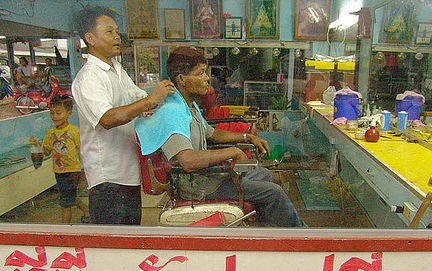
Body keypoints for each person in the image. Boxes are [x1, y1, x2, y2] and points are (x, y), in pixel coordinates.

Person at [160, 47, 305, 227]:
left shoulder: (188, 107)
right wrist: (233, 152)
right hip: (198, 185)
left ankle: (267, 231)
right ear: (181, 78)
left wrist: (247, 137)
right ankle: (301, 235)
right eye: (201, 73)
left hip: (206, 176)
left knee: (265, 174)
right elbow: (187, 160)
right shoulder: (173, 112)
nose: (207, 79)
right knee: (274, 192)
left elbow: (213, 134)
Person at [71, 6, 174, 225]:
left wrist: (163, 99)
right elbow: (107, 119)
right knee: (114, 245)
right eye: (109, 32)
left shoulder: (117, 70)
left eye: (117, 31)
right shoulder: (88, 78)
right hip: (108, 178)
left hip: (128, 173)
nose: (117, 36)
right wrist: (150, 100)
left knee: (130, 240)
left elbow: (139, 99)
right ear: (90, 38)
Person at [30, 95, 90, 224]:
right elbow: (46, 152)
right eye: (52, 113)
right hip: (59, 172)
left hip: (73, 172)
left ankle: (64, 229)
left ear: (69, 113)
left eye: (58, 113)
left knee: (65, 203)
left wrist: (85, 171)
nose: (55, 116)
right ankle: (86, 210)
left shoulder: (74, 131)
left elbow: (83, 151)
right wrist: (37, 145)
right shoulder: (50, 133)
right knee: (68, 197)